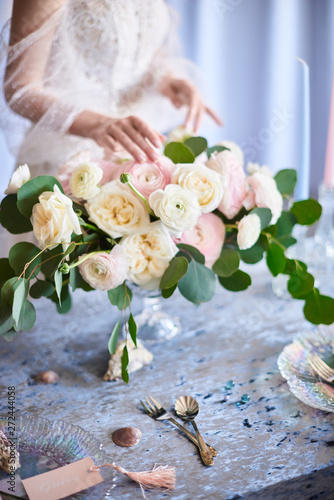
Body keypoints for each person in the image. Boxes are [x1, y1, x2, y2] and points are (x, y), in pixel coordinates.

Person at [1, 0, 222, 179]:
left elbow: (139, 47)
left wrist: (165, 79)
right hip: (69, 164)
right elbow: (20, 89)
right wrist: (98, 124)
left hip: (140, 157)